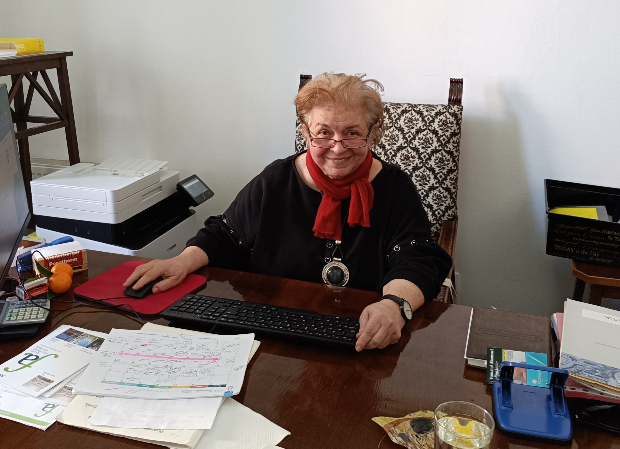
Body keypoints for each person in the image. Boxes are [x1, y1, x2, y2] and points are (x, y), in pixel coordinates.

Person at [124, 73, 452, 351]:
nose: (338, 147)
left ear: (372, 134)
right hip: (270, 330)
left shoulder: (394, 187)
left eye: (352, 133)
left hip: (361, 335)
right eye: (324, 132)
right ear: (306, 132)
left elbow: (418, 259)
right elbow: (225, 235)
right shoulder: (275, 180)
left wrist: (394, 305)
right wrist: (181, 262)